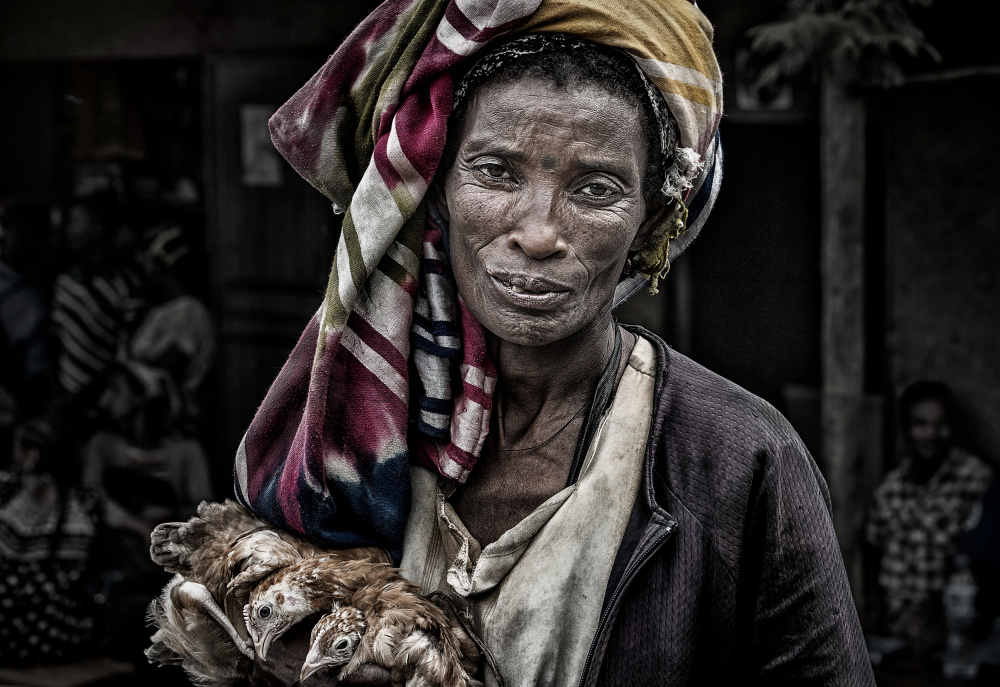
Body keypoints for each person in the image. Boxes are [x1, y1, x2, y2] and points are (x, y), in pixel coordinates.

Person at [187, 1, 874, 685]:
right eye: (496, 172)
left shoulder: (740, 460)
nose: (540, 232)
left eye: (595, 188)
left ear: (651, 217)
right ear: (437, 189)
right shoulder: (346, 442)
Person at [865, 380, 993, 653]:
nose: (932, 433)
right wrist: (874, 611)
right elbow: (872, 551)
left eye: (941, 424)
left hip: (950, 633)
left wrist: (935, 613)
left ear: (953, 427)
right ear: (906, 430)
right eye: (920, 424)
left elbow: (983, 566)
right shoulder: (891, 487)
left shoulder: (975, 480)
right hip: (892, 632)